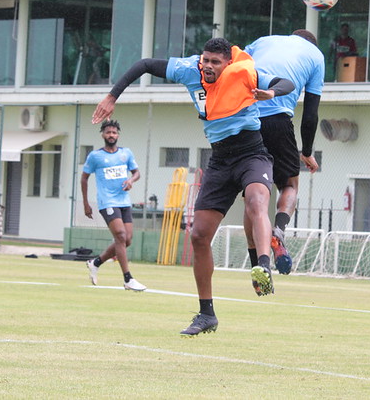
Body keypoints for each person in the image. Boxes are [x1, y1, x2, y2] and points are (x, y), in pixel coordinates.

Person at [92, 37, 294, 336]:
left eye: (215, 62)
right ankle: (206, 314)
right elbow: (145, 65)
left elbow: (286, 82)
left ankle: (262, 266)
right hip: (220, 160)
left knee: (256, 201)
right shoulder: (190, 69)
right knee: (198, 235)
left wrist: (270, 92)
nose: (208, 67)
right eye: (206, 60)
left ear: (227, 63)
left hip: (252, 153)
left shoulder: (243, 71)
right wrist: (113, 96)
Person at [243, 30, 325, 275]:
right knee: (289, 185)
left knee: (253, 198)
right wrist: (307, 151)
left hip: (245, 120)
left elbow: (234, 69)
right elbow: (310, 114)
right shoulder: (316, 57)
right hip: (277, 120)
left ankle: (257, 264)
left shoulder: (262, 40)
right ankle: (278, 229)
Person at [82, 119, 146, 292]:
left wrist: (131, 180)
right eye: (108, 132)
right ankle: (128, 279)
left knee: (127, 240)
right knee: (120, 235)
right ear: (103, 134)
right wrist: (86, 203)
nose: (111, 135)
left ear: (118, 135)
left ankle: (95, 263)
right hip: (107, 201)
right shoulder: (95, 156)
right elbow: (84, 178)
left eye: (114, 132)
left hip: (124, 201)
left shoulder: (126, 153)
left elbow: (137, 173)